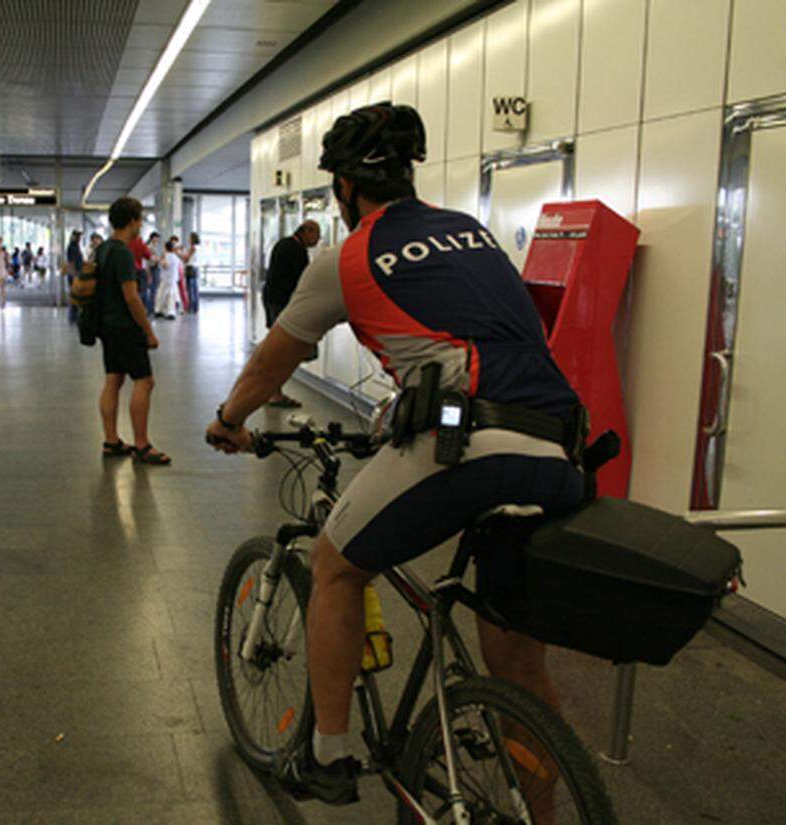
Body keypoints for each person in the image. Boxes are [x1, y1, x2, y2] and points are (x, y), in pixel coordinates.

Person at [206, 103, 586, 806]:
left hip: (470, 441)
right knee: (515, 659)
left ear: (346, 190)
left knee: (335, 563)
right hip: (557, 444)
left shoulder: (346, 257)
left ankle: (327, 756)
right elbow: (484, 337)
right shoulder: (472, 232)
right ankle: (540, 815)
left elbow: (270, 364)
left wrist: (229, 418)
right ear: (409, 174)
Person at [95, 197, 169, 466]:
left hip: (107, 325)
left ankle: (111, 440)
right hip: (126, 327)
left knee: (113, 380)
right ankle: (142, 445)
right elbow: (132, 297)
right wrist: (148, 331)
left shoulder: (103, 249)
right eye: (140, 219)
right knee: (145, 381)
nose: (141, 225)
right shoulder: (123, 253)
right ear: (132, 221)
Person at [261, 219, 322, 407]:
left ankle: (275, 391)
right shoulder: (294, 249)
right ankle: (273, 392)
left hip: (274, 299)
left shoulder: (285, 243)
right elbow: (303, 279)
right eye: (316, 234)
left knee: (280, 348)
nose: (318, 239)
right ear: (306, 231)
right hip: (281, 302)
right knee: (284, 349)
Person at [154, 239, 182, 320]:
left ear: (165, 248)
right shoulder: (176, 257)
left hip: (166, 279)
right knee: (170, 296)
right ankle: (170, 312)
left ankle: (159, 311)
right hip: (173, 279)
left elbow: (165, 265)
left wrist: (160, 260)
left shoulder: (167, 256)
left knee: (161, 295)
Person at [65, 230, 84, 324]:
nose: (80, 238)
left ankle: (74, 316)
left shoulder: (76, 246)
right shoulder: (72, 247)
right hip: (74, 274)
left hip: (76, 273)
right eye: (78, 236)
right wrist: (74, 275)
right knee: (75, 296)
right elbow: (71, 262)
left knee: (76, 295)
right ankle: (73, 317)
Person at [182, 231, 201, 314]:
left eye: (189, 238)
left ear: (192, 239)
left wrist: (179, 253)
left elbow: (186, 258)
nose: (188, 239)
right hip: (195, 269)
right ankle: (195, 308)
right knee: (194, 289)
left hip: (190, 268)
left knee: (190, 290)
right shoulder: (197, 247)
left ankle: (190, 308)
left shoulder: (192, 248)